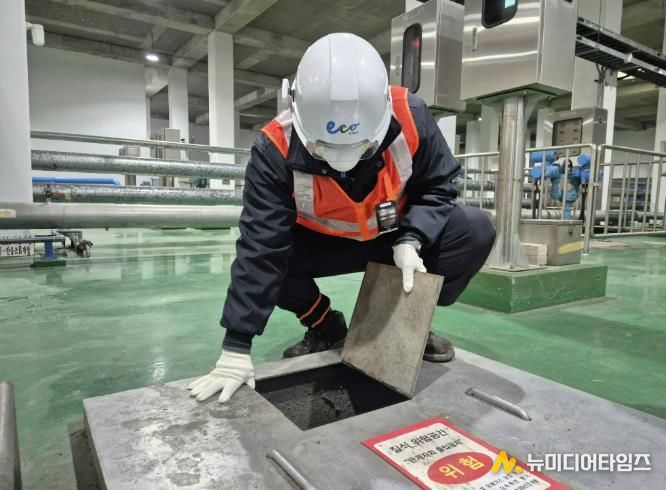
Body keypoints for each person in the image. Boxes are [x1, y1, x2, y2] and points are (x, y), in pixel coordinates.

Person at [187, 33, 495, 404]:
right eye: (323, 149)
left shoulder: (411, 116)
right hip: (323, 245)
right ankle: (325, 326)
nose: (343, 161)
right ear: (297, 111)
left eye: (363, 148)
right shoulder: (274, 149)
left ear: (382, 115)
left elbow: (438, 186)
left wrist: (411, 239)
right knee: (272, 264)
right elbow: (260, 247)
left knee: (473, 230)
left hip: (392, 238)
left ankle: (404, 325)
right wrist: (236, 347)